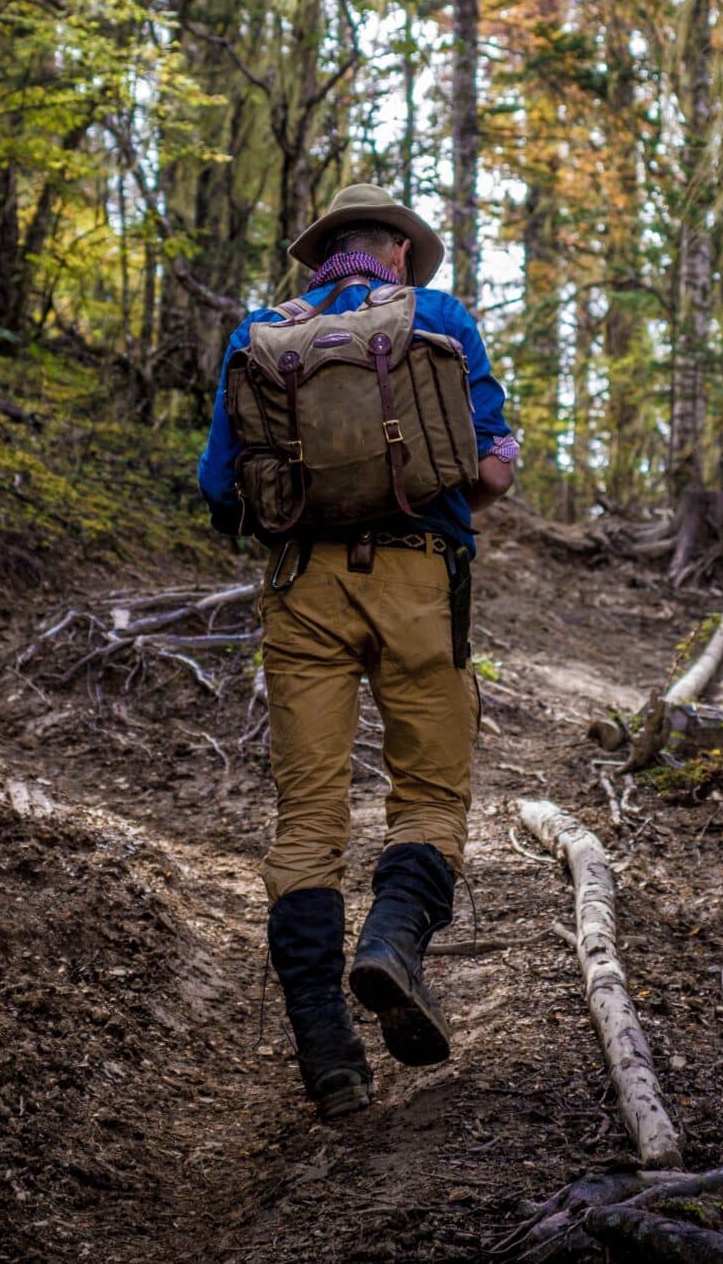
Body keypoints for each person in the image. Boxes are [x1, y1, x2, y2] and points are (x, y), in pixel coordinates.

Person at [197, 183, 520, 1119]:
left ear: (325, 254)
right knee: (427, 791)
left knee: (308, 817)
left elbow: (222, 489)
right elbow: (490, 465)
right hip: (421, 579)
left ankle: (329, 1056)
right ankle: (392, 943)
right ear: (401, 255)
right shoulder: (442, 317)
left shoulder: (262, 332)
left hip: (303, 588)